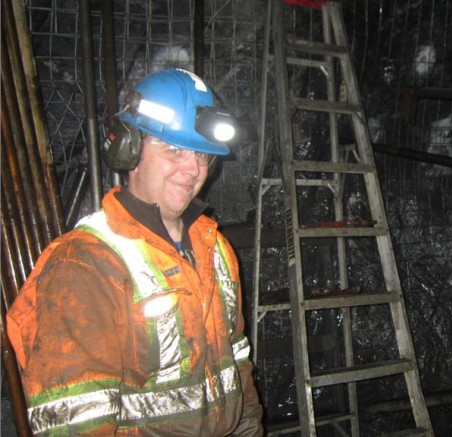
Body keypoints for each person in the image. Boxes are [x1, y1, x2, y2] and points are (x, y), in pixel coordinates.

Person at [6, 68, 263, 436]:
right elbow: (79, 424)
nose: (192, 169)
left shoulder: (215, 249)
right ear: (129, 149)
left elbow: (236, 367)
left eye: (202, 155)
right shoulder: (83, 264)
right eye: (173, 150)